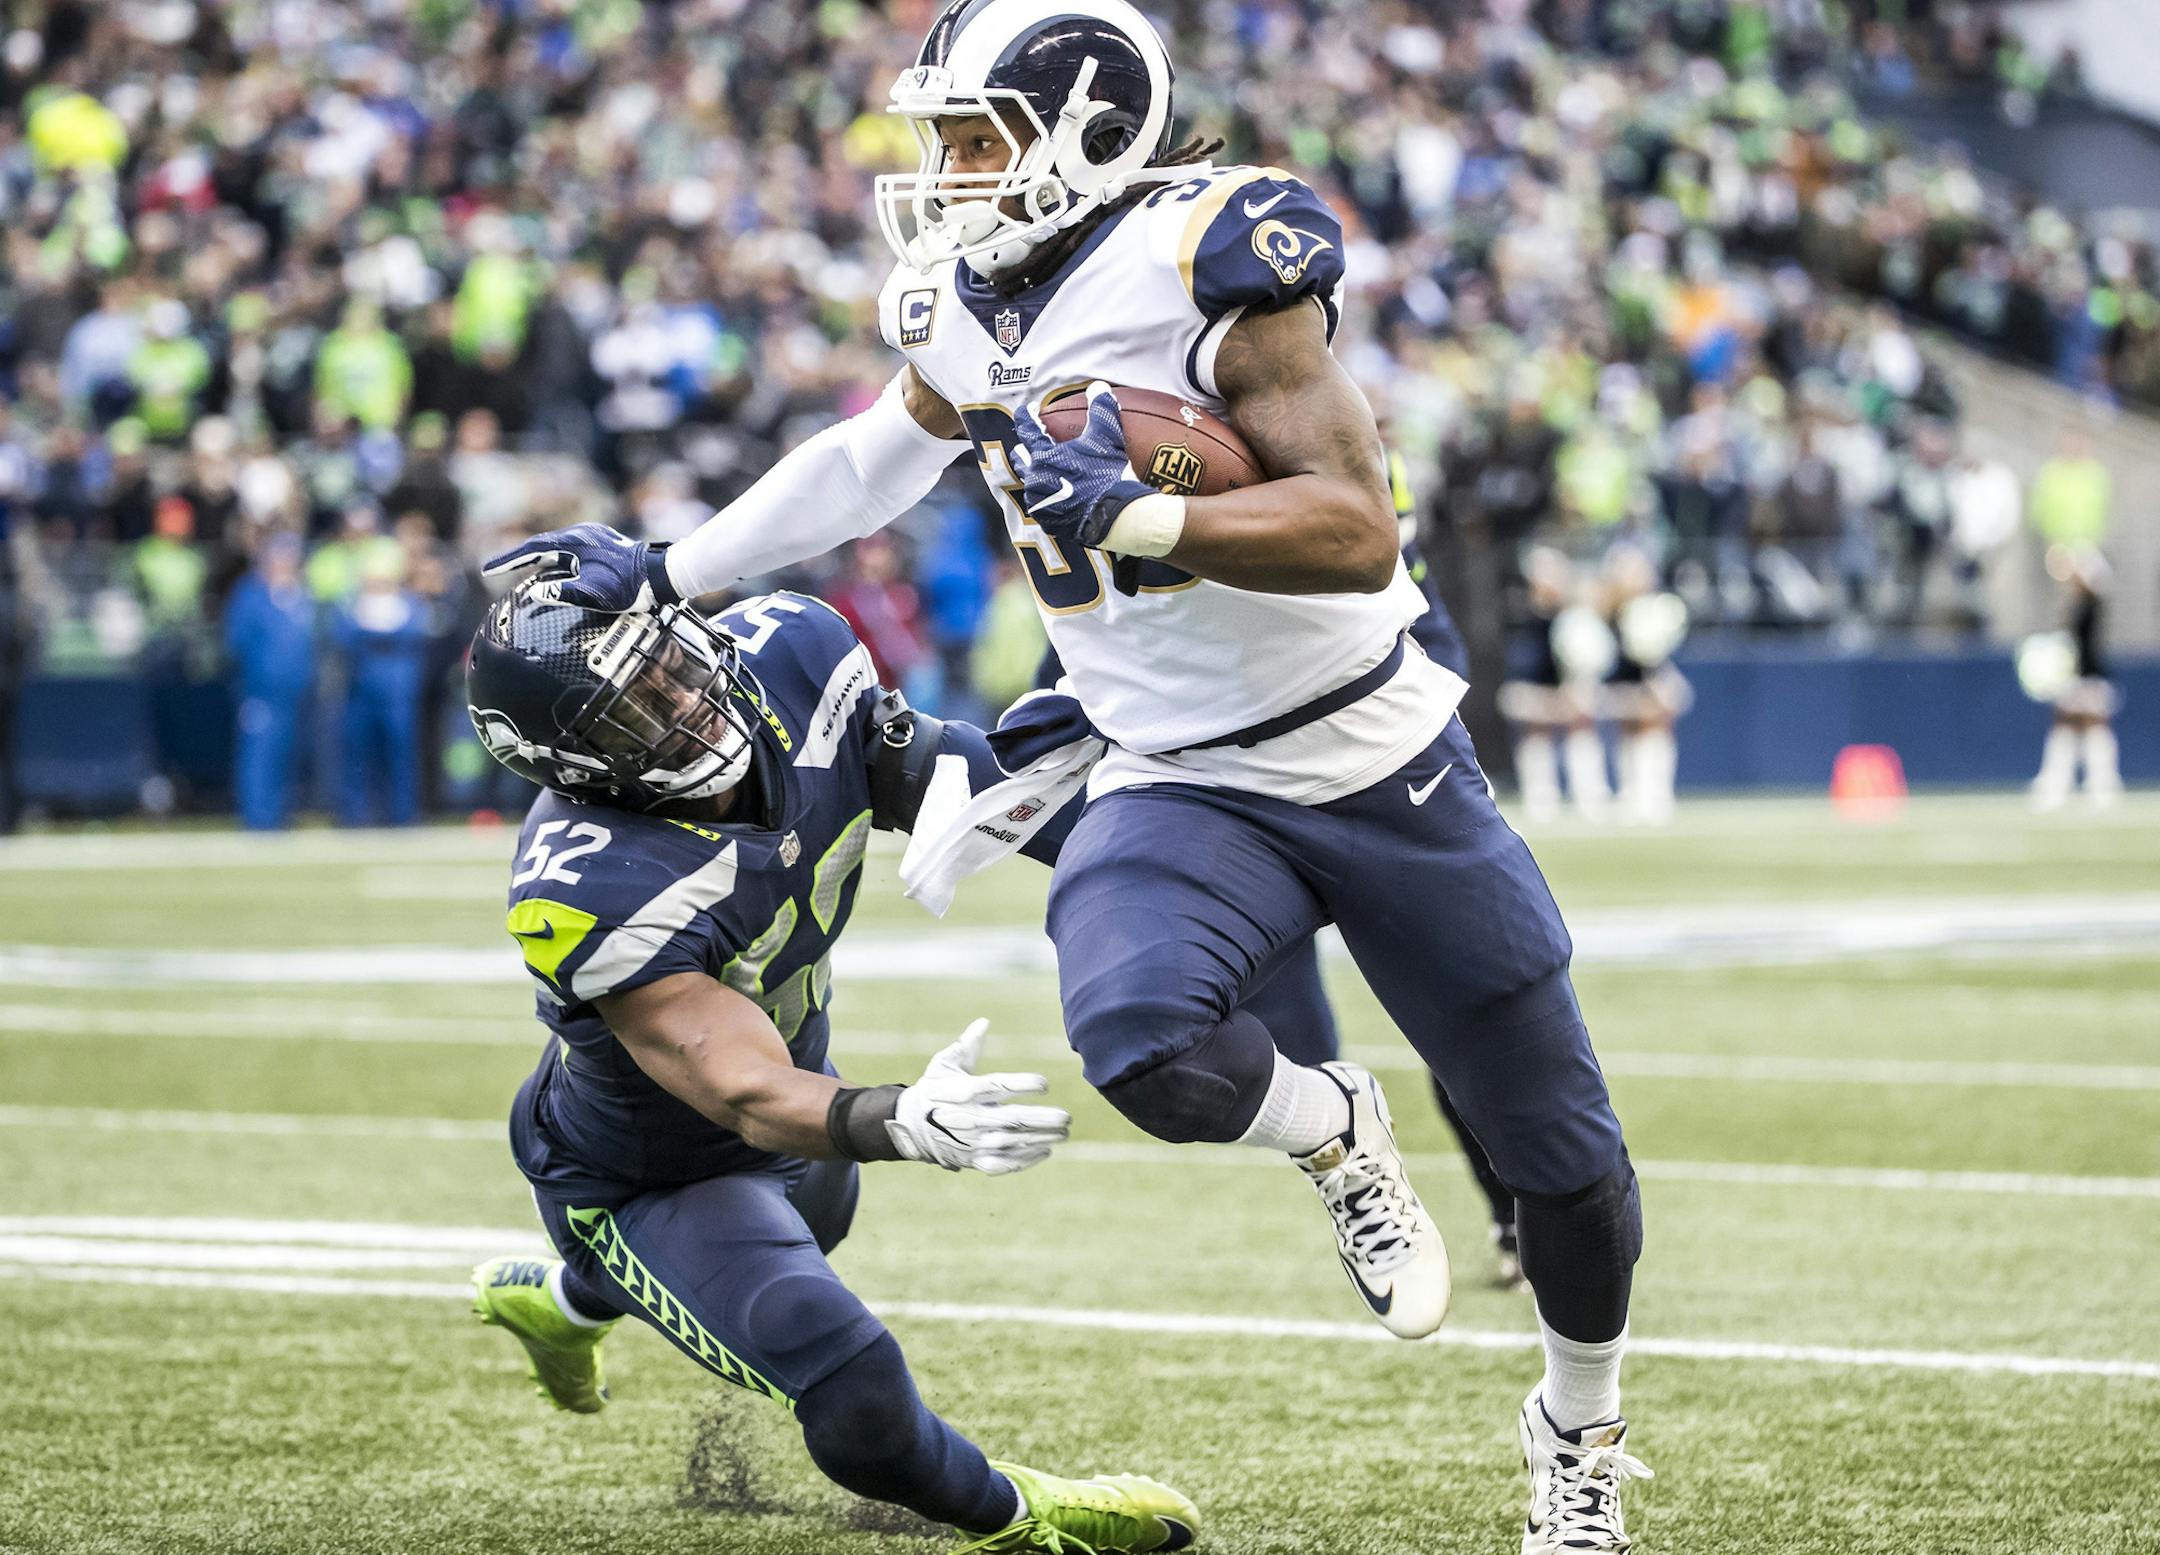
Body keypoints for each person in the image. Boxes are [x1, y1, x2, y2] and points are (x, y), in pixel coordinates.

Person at [489, 6, 1648, 1547]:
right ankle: (1330, 1122)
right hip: (1170, 764)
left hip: (1369, 743)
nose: (947, 173)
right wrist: (670, 574)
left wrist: (1144, 517)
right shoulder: (963, 299)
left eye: (976, 137)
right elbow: (864, 463)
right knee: (1139, 1038)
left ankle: (1579, 1426)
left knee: (1563, 1161)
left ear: (1092, 128)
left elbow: (1355, 530)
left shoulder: (1212, 257)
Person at [463, 578, 1197, 1555]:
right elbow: (744, 1091)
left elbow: (951, 782)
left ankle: (559, 1305)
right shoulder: (590, 882)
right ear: (577, 765)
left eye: (673, 664)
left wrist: (1169, 855)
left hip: (801, 1121)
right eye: (637, 712)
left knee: (823, 1216)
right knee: (844, 1366)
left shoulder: (793, 654)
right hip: (647, 1174)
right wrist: (895, 1116)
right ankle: (1018, 1517)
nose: (685, 703)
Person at [222, 533, 316, 830]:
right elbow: (236, 643)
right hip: (261, 692)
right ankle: (258, 819)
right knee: (260, 756)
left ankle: (280, 815)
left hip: (297, 694)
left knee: (287, 756)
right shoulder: (251, 595)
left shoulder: (301, 596)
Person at [2027, 546, 2122, 811]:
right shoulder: (2082, 605)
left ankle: (2099, 784)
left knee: (2089, 728)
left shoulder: (2091, 604)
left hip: (2088, 677)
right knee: (2070, 729)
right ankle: (2069, 783)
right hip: (2082, 677)